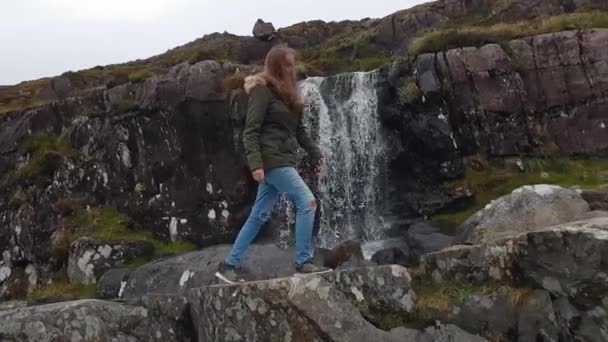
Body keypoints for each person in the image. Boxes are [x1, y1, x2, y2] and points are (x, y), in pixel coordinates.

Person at [215, 45, 331, 283]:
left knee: (258, 215)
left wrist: (316, 154)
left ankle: (229, 265)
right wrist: (255, 163)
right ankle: (303, 262)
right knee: (307, 202)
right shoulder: (262, 91)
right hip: (272, 160)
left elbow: (300, 132)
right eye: (288, 64)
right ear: (277, 65)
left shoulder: (290, 95)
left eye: (293, 63)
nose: (292, 68)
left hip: (284, 159)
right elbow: (251, 130)